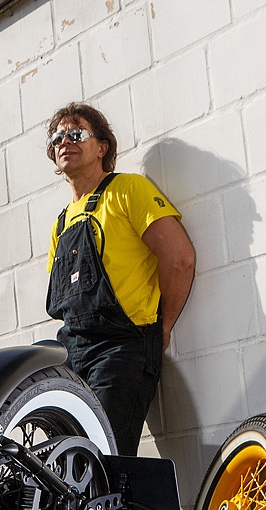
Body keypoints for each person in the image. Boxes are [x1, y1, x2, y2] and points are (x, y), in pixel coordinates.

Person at [44, 103, 195, 455]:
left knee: (103, 458)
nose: (65, 141)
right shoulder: (61, 223)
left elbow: (180, 259)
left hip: (122, 349)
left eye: (76, 133)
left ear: (102, 147)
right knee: (64, 462)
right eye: (57, 137)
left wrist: (164, 327)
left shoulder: (129, 190)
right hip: (72, 355)